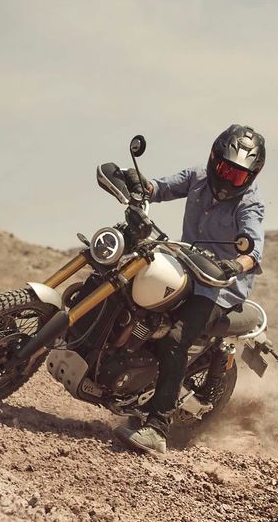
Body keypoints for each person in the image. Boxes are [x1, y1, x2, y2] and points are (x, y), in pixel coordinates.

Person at [113, 123, 268, 455]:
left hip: (218, 286)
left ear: (251, 176)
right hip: (185, 266)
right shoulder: (198, 176)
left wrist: (235, 264)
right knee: (128, 289)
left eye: (238, 176)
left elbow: (253, 252)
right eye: (224, 169)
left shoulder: (249, 205)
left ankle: (157, 429)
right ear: (213, 159)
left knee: (175, 339)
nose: (228, 180)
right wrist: (141, 183)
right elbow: (160, 188)